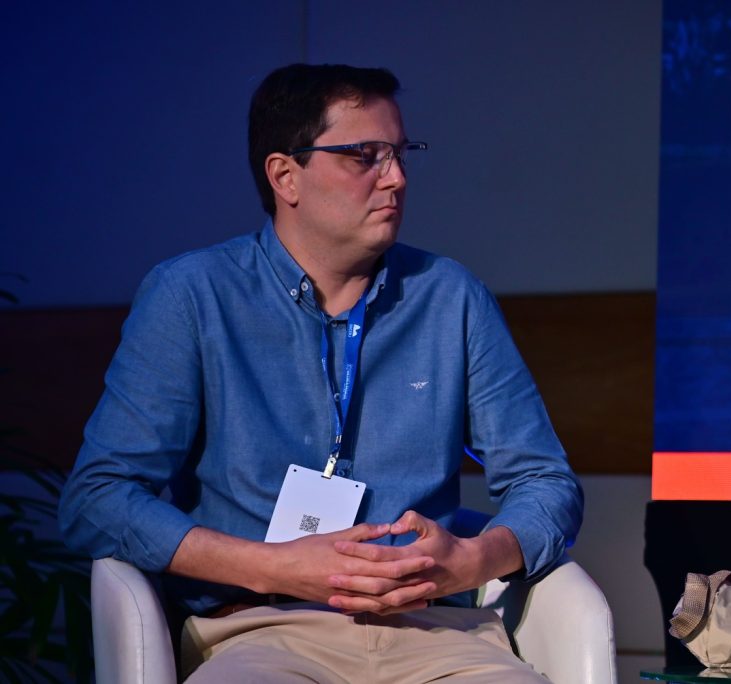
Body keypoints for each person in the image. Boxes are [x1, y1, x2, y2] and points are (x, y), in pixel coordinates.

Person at [59, 63, 583, 682]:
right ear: (286, 176)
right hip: (260, 630)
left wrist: (474, 559)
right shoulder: (193, 296)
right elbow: (98, 498)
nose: (396, 177)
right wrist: (272, 565)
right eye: (365, 156)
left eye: (401, 154)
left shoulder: (451, 297)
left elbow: (546, 481)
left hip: (433, 632)